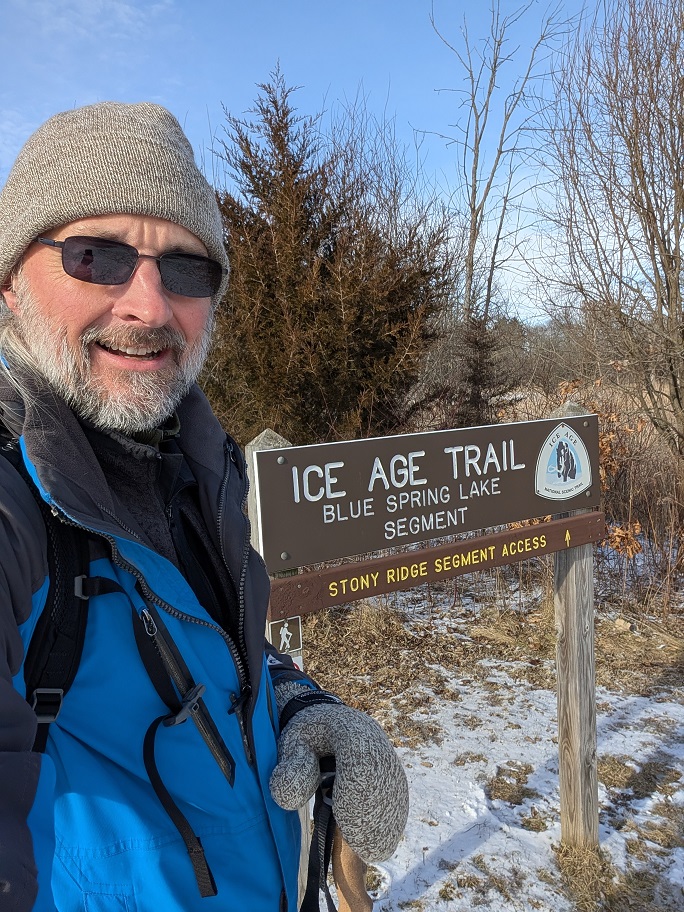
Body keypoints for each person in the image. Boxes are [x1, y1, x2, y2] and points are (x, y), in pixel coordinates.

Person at [0, 102, 409, 912]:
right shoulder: (18, 497)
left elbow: (207, 658)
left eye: (187, 268)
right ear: (10, 281)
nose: (150, 307)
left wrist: (299, 707)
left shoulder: (188, 464)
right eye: (95, 255)